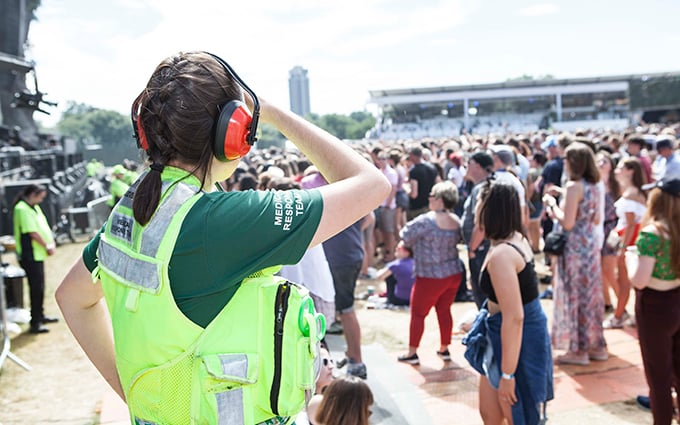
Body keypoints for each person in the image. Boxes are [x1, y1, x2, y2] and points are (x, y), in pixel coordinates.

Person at [55, 51, 389, 424]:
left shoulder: (133, 211)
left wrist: (136, 394)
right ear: (234, 132)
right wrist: (274, 112)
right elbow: (372, 184)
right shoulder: (222, 222)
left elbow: (71, 296)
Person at [476, 180, 553, 425]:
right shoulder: (512, 239)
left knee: (516, 415)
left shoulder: (502, 254)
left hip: (516, 341)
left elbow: (515, 316)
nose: (474, 208)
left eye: (479, 202)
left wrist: (508, 374)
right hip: (505, 336)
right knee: (491, 413)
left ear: (490, 209)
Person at [544, 142, 607, 365]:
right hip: (589, 244)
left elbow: (567, 222)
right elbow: (595, 216)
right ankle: (596, 346)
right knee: (590, 295)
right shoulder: (595, 184)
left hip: (573, 248)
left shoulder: (574, 186)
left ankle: (578, 350)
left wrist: (552, 205)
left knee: (573, 295)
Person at [628, 176, 680, 425]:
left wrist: (630, 262)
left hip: (655, 307)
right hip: (677, 299)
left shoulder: (652, 233)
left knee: (658, 378)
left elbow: (639, 280)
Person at [397, 181, 463, 365]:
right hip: (453, 273)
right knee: (444, 310)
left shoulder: (426, 220)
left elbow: (405, 235)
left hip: (430, 275)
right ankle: (444, 348)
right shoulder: (456, 220)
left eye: (432, 195)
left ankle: (412, 352)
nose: (429, 198)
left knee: (418, 313)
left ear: (440, 199)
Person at [604, 157, 647, 328]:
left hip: (629, 243)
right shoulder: (634, 191)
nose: (617, 170)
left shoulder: (631, 193)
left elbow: (630, 224)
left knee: (623, 283)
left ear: (631, 171)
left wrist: (623, 249)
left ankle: (619, 316)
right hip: (632, 242)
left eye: (621, 167)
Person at [12, 184, 57, 334]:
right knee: (36, 288)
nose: (41, 200)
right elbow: (32, 232)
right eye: (40, 196)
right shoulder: (22, 208)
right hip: (30, 255)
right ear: (32, 194)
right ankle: (35, 322)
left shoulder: (33, 206)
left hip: (37, 255)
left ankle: (40, 315)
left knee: (40, 287)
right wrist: (47, 246)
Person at [461, 151, 495, 309]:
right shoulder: (483, 186)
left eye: (470, 163)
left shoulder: (482, 188)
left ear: (479, 167)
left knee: (483, 293)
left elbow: (481, 223)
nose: (466, 167)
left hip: (481, 248)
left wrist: (473, 248)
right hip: (483, 247)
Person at [374, 240, 415, 306]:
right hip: (413, 299)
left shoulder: (396, 265)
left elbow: (379, 277)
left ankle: (389, 296)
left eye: (399, 248)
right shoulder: (417, 263)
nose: (396, 249)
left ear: (407, 252)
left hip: (398, 300)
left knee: (389, 276)